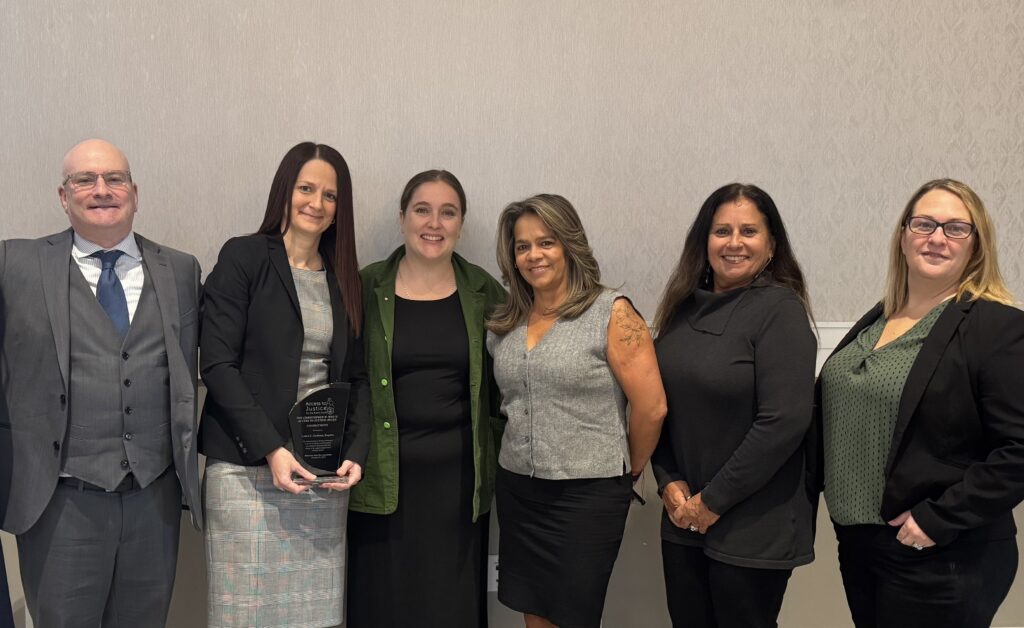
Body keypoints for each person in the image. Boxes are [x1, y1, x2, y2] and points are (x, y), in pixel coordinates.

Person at [0, 139, 202, 627]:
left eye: (114, 178)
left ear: (134, 192)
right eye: (84, 180)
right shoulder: (14, 265)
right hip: (59, 501)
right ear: (63, 196)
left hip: (154, 500)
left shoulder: (180, 269)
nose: (101, 190)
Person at [817, 179, 1024, 628]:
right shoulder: (878, 318)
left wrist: (938, 519)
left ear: (977, 245)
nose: (936, 238)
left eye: (955, 229)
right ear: (903, 235)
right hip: (859, 544)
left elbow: (1019, 450)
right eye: (924, 223)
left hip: (941, 552)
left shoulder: (997, 328)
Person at [199, 142, 369, 628]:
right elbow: (216, 365)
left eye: (330, 195)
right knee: (244, 616)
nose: (316, 203)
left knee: (314, 618)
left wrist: (355, 452)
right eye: (306, 188)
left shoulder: (344, 279)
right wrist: (273, 449)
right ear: (285, 192)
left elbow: (355, 378)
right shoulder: (245, 256)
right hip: (247, 472)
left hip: (321, 477)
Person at [487, 194, 666, 628]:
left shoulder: (611, 312)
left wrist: (631, 469)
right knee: (535, 612)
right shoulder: (505, 321)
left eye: (546, 242)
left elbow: (652, 407)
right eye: (522, 245)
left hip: (586, 496)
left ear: (569, 245)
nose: (534, 255)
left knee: (574, 615)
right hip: (519, 491)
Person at [651, 183, 817, 628]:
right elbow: (657, 405)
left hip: (753, 526)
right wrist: (668, 480)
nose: (735, 242)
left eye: (749, 231)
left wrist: (713, 501)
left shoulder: (780, 311)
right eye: (722, 230)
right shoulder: (682, 311)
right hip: (684, 517)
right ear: (704, 241)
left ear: (771, 245)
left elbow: (784, 422)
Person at [347, 170, 506, 627]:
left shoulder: (484, 292)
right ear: (402, 218)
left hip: (459, 484)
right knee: (382, 603)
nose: (434, 223)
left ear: (461, 224)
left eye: (448, 212)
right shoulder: (365, 286)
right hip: (381, 478)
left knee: (450, 606)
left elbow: (511, 380)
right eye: (422, 209)